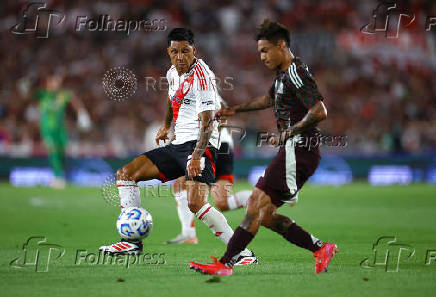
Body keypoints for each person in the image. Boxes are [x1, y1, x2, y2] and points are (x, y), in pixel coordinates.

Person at [189, 19, 337, 275]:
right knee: (265, 214)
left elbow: (319, 110)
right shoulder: (283, 76)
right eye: (260, 52)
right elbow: (268, 99)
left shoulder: (296, 72)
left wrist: (289, 132)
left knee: (255, 205)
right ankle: (320, 248)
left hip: (299, 149)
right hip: (294, 150)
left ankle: (225, 264)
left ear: (281, 45)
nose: (262, 57)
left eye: (265, 50)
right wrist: (234, 109)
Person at [99, 28, 257, 265]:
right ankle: (131, 243)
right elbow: (171, 96)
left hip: (200, 146)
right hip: (178, 144)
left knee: (196, 203)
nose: (180, 56)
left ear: (194, 50)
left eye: (185, 51)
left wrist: (195, 157)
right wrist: (165, 125)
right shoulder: (173, 71)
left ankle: (242, 253)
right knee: (125, 174)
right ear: (168, 52)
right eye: (175, 52)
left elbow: (206, 123)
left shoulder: (202, 77)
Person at [167, 122, 251, 244]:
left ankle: (254, 197)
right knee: (180, 185)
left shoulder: (209, 103)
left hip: (217, 145)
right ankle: (188, 234)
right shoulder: (180, 105)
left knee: (221, 202)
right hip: (199, 146)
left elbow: (220, 119)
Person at [34, 74, 91, 189]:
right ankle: (57, 178)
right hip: (47, 129)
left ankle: (62, 176)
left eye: (57, 82)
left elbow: (74, 101)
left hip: (60, 129)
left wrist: (82, 113)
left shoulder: (63, 95)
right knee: (53, 151)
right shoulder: (42, 94)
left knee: (62, 152)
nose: (55, 84)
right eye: (53, 82)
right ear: (48, 83)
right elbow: (28, 94)